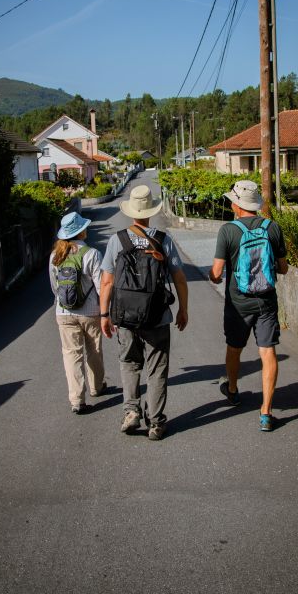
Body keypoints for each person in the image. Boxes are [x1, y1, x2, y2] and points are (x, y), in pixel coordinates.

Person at [100, 185, 188, 441]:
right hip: (157, 317)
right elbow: (179, 279)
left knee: (129, 363)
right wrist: (183, 309)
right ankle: (156, 423)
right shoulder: (163, 239)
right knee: (157, 369)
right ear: (150, 211)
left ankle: (131, 412)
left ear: (131, 212)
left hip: (126, 317)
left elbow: (106, 282)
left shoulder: (118, 240)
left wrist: (104, 315)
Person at [208, 180, 288, 432]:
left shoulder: (228, 231)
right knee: (268, 352)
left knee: (234, 348)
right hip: (266, 302)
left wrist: (213, 276)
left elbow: (217, 271)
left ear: (237, 205)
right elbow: (284, 268)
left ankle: (232, 390)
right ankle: (266, 412)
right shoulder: (272, 227)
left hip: (238, 303)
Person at [50, 211, 105, 414]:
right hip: (90, 311)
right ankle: (96, 387)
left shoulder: (55, 256)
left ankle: (76, 400)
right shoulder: (92, 253)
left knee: (71, 355)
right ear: (81, 231)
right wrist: (106, 312)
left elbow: (54, 287)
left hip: (63, 312)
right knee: (94, 350)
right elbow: (101, 286)